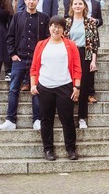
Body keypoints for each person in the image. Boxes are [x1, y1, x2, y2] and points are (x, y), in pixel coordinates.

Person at [0, 0, 49, 130]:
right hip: (19, 59)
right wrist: (12, 54)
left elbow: (46, 40)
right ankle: (10, 121)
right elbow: (10, 37)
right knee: (13, 89)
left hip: (36, 60)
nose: (31, 1)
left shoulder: (44, 18)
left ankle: (37, 120)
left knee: (37, 90)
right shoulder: (17, 16)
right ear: (25, 0)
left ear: (38, 1)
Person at [30, 16, 81, 161]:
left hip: (65, 85)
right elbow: (34, 67)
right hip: (45, 86)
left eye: (59, 26)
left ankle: (71, 149)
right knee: (46, 120)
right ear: (49, 28)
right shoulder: (41, 45)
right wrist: (33, 84)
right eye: (53, 25)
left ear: (64, 30)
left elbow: (77, 68)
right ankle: (48, 150)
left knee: (68, 119)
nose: (56, 29)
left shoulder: (70, 45)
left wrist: (77, 86)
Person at [65, 0, 99, 129]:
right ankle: (68, 117)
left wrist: (93, 61)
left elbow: (94, 43)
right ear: (71, 6)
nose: (77, 6)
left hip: (85, 54)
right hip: (69, 54)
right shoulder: (67, 22)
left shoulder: (90, 22)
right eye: (75, 4)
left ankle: (82, 118)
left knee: (84, 88)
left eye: (80, 4)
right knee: (68, 85)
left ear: (84, 6)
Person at [77, 0, 103, 104]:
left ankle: (90, 93)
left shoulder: (96, 3)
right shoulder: (74, 1)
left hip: (90, 39)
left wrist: (95, 21)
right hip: (77, 37)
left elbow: (101, 20)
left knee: (90, 67)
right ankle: (76, 91)